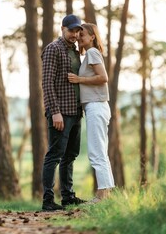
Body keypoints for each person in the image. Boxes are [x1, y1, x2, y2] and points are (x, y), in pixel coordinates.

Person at [41, 14, 86, 211]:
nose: (75, 34)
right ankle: (48, 200)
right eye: (71, 30)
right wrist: (55, 112)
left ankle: (68, 197)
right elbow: (47, 83)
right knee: (55, 155)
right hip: (60, 113)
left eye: (77, 31)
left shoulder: (75, 51)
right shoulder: (53, 49)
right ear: (62, 29)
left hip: (76, 112)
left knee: (71, 155)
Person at [68, 23, 115, 203]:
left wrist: (79, 79)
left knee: (96, 153)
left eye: (82, 35)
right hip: (95, 107)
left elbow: (103, 78)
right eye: (78, 35)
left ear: (92, 37)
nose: (79, 37)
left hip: (96, 106)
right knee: (100, 152)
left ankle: (101, 196)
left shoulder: (93, 53)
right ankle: (106, 194)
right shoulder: (89, 54)